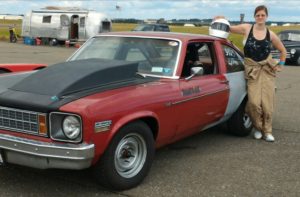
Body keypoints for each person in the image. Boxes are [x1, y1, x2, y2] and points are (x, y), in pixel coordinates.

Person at [214, 5, 286, 142]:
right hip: (252, 71)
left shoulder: (271, 34)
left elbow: (283, 51)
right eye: (258, 15)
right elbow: (228, 28)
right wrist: (222, 20)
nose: (260, 17)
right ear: (254, 17)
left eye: (262, 15)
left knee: (267, 105)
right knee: (253, 103)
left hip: (267, 71)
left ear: (266, 17)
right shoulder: (247, 28)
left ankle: (267, 131)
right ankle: (258, 128)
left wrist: (280, 66)